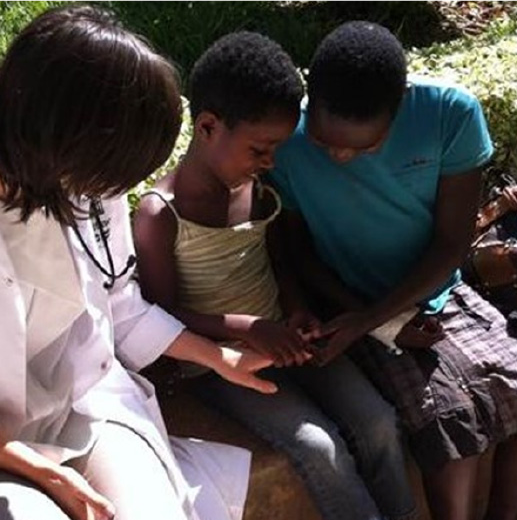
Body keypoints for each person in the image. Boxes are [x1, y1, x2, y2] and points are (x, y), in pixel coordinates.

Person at [0, 6, 276, 520]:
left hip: (83, 404)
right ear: (60, 142)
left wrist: (219, 358)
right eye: (107, 176)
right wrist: (49, 476)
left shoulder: (85, 182)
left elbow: (120, 305)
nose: (110, 194)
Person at [134, 31, 417, 520]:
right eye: (260, 149)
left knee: (379, 422)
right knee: (319, 448)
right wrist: (249, 329)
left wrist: (296, 309)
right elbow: (162, 316)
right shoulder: (161, 214)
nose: (270, 162)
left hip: (284, 338)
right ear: (206, 126)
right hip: (218, 362)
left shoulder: (254, 185)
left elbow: (278, 261)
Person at [270, 21, 517, 520]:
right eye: (327, 145)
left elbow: (452, 243)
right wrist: (372, 321)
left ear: (402, 104)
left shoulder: (449, 115)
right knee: (448, 420)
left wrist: (381, 317)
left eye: (362, 148)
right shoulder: (287, 141)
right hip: (347, 300)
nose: (340, 155)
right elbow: (294, 248)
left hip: (437, 291)